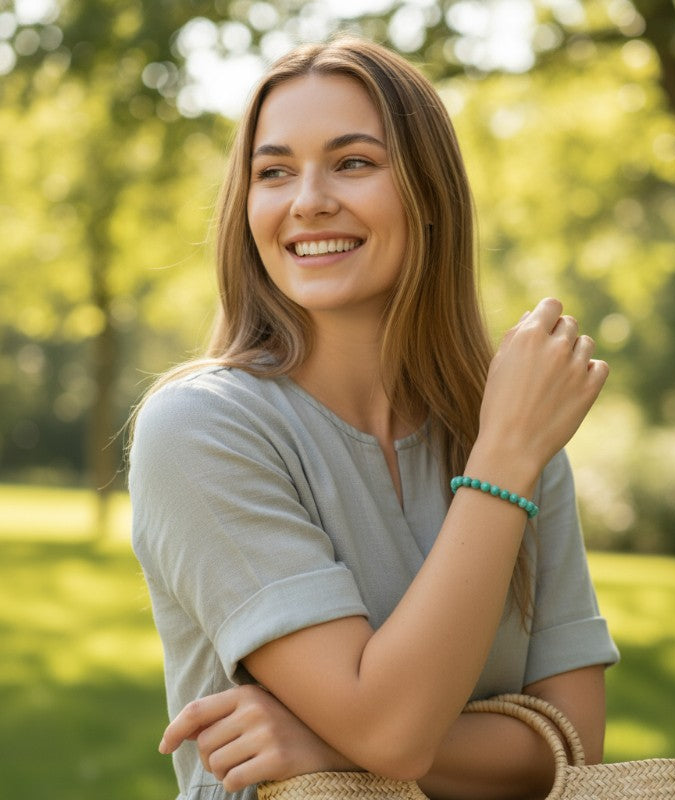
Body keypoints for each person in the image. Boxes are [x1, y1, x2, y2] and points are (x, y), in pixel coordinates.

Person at [129, 34, 619, 800]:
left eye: (353, 162)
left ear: (430, 195)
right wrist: (381, 735)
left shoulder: (510, 432)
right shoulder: (200, 429)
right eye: (273, 172)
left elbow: (576, 748)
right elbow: (394, 732)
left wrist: (333, 739)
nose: (308, 200)